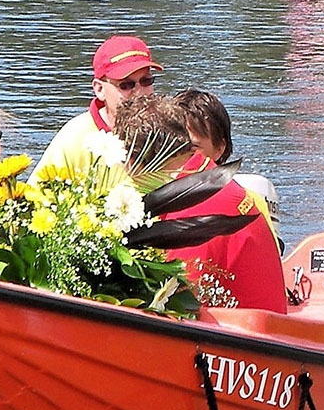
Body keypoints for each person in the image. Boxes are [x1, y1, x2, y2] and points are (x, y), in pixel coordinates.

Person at [112, 95, 287, 313]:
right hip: (259, 330)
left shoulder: (189, 214)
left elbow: (173, 305)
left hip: (242, 341)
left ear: (133, 162)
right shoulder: (207, 179)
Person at [31, 35, 161, 178]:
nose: (139, 92)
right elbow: (35, 195)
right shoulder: (74, 139)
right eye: (126, 85)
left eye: (146, 81)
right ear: (99, 89)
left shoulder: (171, 132)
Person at [173, 88, 284, 252]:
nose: (179, 156)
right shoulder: (147, 195)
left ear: (219, 148)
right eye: (174, 146)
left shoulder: (250, 204)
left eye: (192, 148)